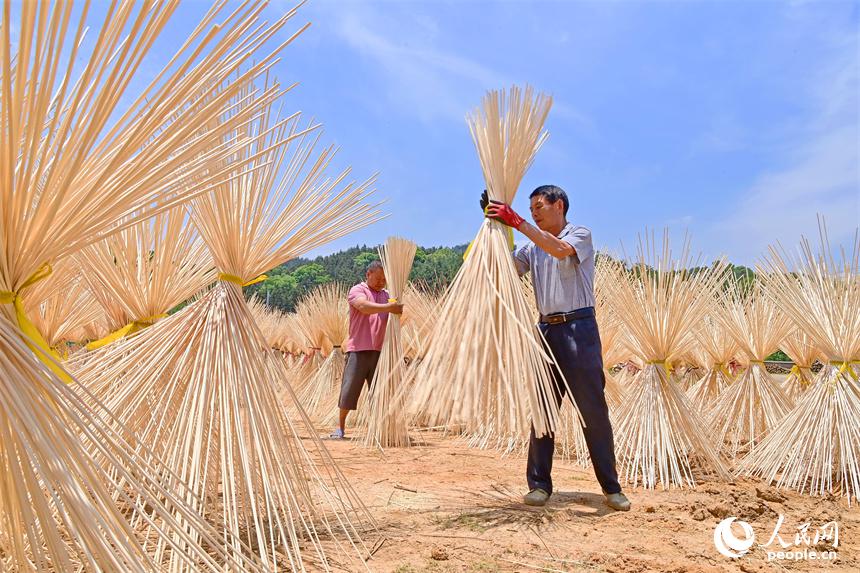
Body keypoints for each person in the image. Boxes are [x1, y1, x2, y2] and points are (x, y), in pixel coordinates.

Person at [482, 185, 631, 511]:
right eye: (530, 208)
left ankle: (611, 486)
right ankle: (539, 485)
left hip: (579, 329)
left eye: (539, 206)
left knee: (592, 410)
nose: (534, 212)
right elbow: (500, 271)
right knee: (543, 410)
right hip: (546, 329)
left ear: (558, 205)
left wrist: (518, 222)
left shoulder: (579, 234)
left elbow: (561, 250)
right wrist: (493, 228)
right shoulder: (529, 248)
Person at [330, 260, 403, 439]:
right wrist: (389, 307)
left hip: (380, 352)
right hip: (358, 349)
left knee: (380, 394)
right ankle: (340, 428)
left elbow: (395, 315)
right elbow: (363, 307)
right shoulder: (358, 290)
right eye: (378, 278)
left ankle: (379, 430)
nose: (381, 282)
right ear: (368, 274)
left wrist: (395, 308)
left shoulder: (387, 296)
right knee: (349, 391)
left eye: (384, 279)